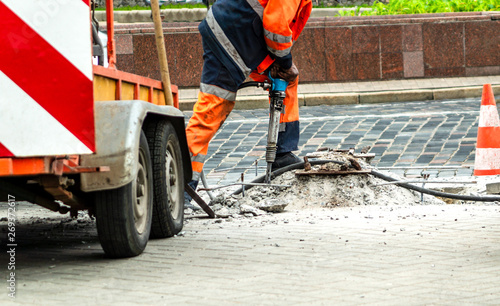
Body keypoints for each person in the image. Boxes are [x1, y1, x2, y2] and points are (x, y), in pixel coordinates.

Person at [185, 0, 312, 209]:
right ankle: (181, 187)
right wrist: (286, 63)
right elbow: (277, 27)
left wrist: (283, 65)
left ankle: (283, 152)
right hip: (232, 37)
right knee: (212, 109)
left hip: (234, 32)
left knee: (286, 80)